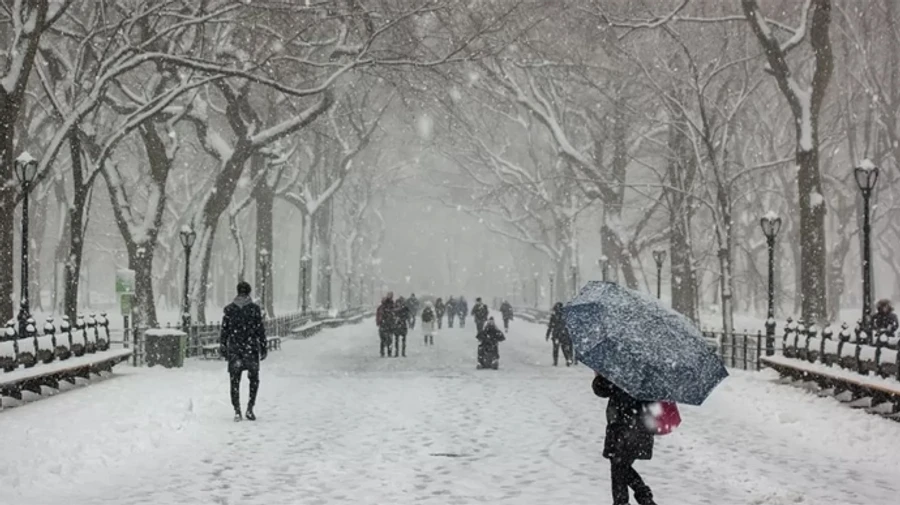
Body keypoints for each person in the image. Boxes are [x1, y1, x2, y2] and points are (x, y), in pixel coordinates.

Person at [592, 374, 656, 505]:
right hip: (640, 427)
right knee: (621, 466)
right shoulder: (649, 375)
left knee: (618, 466)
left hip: (624, 429)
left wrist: (600, 377)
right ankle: (643, 498)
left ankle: (630, 500)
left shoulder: (622, 371)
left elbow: (602, 389)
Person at [219, 281, 267, 422]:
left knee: (234, 381)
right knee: (254, 379)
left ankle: (237, 410)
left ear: (238, 291)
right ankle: (250, 408)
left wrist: (223, 345)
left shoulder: (229, 310)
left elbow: (224, 331)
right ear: (249, 292)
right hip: (250, 349)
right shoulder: (254, 309)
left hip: (235, 349)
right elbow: (260, 330)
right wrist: (263, 347)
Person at [546, 302, 573, 366]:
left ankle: (555, 362)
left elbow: (550, 326)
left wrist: (548, 334)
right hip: (564, 334)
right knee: (564, 348)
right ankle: (568, 359)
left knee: (556, 349)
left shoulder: (554, 316)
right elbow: (568, 325)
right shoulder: (565, 315)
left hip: (556, 335)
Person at [376, 292, 396, 357]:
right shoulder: (391, 305)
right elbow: (394, 314)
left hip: (384, 324)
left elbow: (378, 315)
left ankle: (382, 352)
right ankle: (388, 352)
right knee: (389, 339)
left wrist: (378, 322)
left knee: (383, 339)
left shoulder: (381, 307)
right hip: (388, 324)